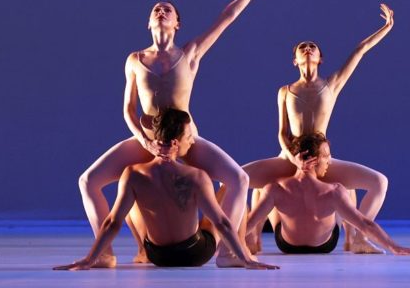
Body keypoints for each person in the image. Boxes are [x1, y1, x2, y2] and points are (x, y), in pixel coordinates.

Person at [78, 0, 280, 266]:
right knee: (88, 180)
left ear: (177, 24)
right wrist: (144, 141)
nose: (161, 11)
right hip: (147, 139)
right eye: (155, 10)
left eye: (167, 10)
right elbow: (128, 110)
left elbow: (227, 16)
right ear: (148, 23)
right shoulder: (134, 60)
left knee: (238, 179)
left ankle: (229, 251)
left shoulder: (190, 54)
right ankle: (105, 253)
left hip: (185, 139)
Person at [243, 3, 395, 254]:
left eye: (312, 47)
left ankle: (356, 237)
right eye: (302, 48)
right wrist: (293, 159)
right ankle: (251, 238)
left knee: (378, 182)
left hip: (323, 159)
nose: (307, 49)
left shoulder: (331, 85)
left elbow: (360, 50)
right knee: (242, 180)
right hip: (289, 157)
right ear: (295, 60)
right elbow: (282, 132)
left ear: (320, 58)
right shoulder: (285, 91)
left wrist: (385, 28)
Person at [56, 109, 278, 270]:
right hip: (195, 253)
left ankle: (142, 253)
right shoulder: (196, 175)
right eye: (189, 137)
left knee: (132, 203)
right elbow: (222, 222)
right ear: (174, 143)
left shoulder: (132, 173)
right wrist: (246, 259)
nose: (192, 143)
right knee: (224, 192)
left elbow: (112, 222)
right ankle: (234, 255)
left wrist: (89, 258)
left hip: (158, 256)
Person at [247, 132, 410, 257]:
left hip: (286, 245)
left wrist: (225, 246)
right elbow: (365, 224)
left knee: (262, 189)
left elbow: (248, 224)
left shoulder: (276, 187)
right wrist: (393, 247)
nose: (330, 161)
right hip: (324, 246)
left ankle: (255, 240)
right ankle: (351, 239)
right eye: (327, 156)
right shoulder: (334, 191)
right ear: (314, 160)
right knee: (347, 188)